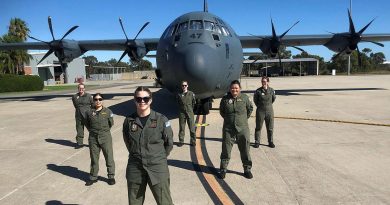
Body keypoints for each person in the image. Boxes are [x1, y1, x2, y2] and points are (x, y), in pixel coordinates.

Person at [123, 86, 174, 205]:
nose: (142, 101)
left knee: (164, 202)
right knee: (134, 202)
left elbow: (169, 144)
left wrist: (157, 157)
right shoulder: (129, 121)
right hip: (135, 167)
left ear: (150, 100)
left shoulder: (161, 119)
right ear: (134, 100)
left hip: (157, 167)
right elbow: (128, 142)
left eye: (145, 98)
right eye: (139, 98)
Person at [219, 80, 253, 179]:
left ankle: (247, 169)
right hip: (228, 129)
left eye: (236, 88)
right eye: (233, 88)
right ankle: (223, 169)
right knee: (226, 149)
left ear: (240, 89)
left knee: (245, 149)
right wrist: (230, 120)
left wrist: (242, 120)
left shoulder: (245, 98)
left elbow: (250, 109)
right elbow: (222, 111)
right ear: (230, 89)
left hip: (243, 129)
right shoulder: (225, 99)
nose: (234, 90)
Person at [84, 93, 116, 186]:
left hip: (105, 137)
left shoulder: (108, 111)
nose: (98, 101)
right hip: (93, 138)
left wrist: (103, 131)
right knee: (94, 158)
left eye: (100, 99)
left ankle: (111, 176)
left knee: (109, 157)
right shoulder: (89, 112)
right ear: (93, 101)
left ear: (102, 100)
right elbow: (87, 124)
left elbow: (111, 123)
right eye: (96, 99)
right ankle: (93, 177)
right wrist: (93, 131)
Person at [253, 76, 276, 148]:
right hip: (260, 111)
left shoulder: (272, 90)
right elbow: (255, 100)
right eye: (263, 81)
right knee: (258, 127)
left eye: (265, 81)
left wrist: (267, 106)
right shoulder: (258, 91)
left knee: (270, 127)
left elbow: (273, 99)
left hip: (269, 111)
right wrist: (260, 106)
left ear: (268, 82)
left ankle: (270, 141)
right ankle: (257, 142)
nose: (264, 83)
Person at [71, 83, 94, 149]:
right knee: (79, 129)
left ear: (84, 89)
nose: (81, 89)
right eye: (79, 88)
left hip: (87, 115)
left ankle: (93, 143)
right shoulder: (74, 96)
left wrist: (92, 113)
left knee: (91, 129)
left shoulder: (88, 96)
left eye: (82, 88)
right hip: (78, 116)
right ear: (78, 89)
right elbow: (75, 105)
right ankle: (79, 143)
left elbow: (92, 105)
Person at [176, 81, 196, 147]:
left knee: (192, 128)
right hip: (182, 113)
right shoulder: (179, 94)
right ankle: (181, 141)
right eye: (182, 85)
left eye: (185, 85)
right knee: (182, 128)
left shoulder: (191, 94)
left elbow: (193, 103)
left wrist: (190, 109)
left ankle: (193, 141)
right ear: (181, 86)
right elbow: (178, 103)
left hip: (190, 112)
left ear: (187, 86)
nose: (184, 87)